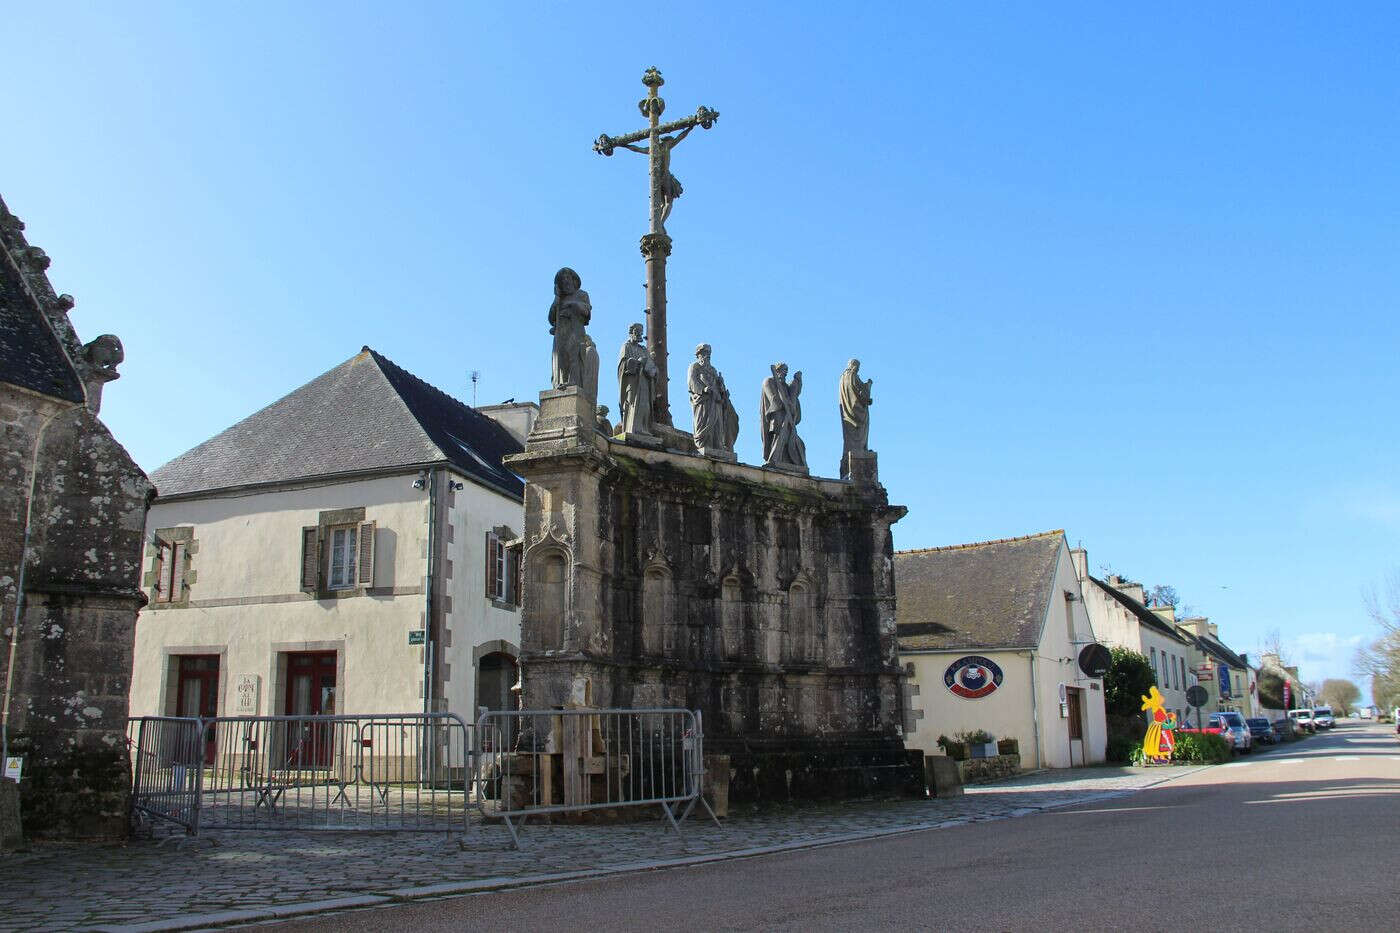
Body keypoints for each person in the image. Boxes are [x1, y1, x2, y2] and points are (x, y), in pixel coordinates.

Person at [620, 124, 694, 229]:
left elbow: (636, 149)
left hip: (656, 179)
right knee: (668, 203)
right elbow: (680, 137)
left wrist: (623, 145)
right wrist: (690, 127)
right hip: (665, 177)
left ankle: (659, 223)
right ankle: (660, 223)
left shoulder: (652, 149)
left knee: (662, 205)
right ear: (667, 140)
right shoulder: (667, 146)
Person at [687, 344, 738, 453]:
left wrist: (721, 385)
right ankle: (704, 444)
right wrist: (703, 389)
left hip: (716, 401)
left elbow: (719, 387)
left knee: (717, 424)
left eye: (708, 353)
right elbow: (692, 382)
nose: (707, 356)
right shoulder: (694, 366)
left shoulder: (713, 370)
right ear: (699, 355)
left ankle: (717, 445)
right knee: (704, 423)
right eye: (704, 353)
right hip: (703, 401)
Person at [548, 268, 592, 391]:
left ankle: (573, 382)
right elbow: (551, 318)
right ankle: (562, 382)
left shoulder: (582, 294)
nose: (565, 281)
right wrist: (556, 299)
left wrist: (574, 304)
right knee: (561, 358)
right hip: (561, 333)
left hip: (575, 331)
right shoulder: (559, 299)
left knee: (574, 356)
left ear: (573, 279)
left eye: (567, 278)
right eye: (562, 280)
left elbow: (586, 312)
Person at [760, 363, 807, 470]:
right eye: (783, 369)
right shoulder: (769, 381)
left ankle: (793, 462)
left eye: (787, 370)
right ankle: (774, 459)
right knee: (779, 437)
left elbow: (794, 394)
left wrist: (797, 381)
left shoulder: (784, 385)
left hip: (787, 417)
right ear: (777, 370)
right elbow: (773, 399)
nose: (785, 372)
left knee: (795, 441)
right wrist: (785, 402)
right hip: (777, 416)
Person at [617, 323, 658, 436]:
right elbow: (623, 366)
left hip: (644, 381)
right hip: (632, 382)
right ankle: (633, 428)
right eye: (637, 332)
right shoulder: (626, 347)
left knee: (645, 405)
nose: (640, 334)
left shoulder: (644, 349)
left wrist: (652, 371)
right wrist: (637, 362)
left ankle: (644, 429)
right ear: (631, 333)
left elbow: (652, 365)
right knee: (632, 404)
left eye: (641, 332)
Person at [838, 358, 873, 479]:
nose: (857, 369)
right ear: (853, 366)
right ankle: (860, 450)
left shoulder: (842, 377)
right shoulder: (852, 375)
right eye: (857, 367)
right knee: (859, 432)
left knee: (849, 436)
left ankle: (853, 452)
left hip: (847, 412)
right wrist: (868, 387)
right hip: (855, 411)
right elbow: (858, 391)